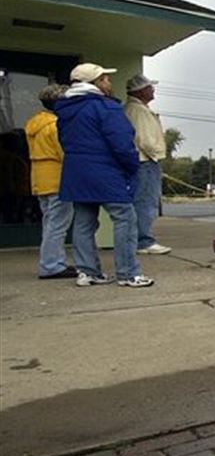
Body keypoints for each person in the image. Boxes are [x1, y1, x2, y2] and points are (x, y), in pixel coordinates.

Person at [54, 63, 153, 288]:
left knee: (84, 222)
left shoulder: (65, 110)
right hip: (106, 172)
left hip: (76, 172)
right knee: (125, 218)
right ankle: (128, 273)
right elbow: (122, 143)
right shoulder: (106, 108)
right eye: (105, 79)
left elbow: (64, 142)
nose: (109, 83)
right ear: (95, 83)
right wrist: (131, 168)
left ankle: (88, 272)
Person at [24, 84, 77, 279]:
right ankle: (52, 265)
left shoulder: (35, 124)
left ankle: (52, 261)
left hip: (40, 177)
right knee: (58, 225)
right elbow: (64, 153)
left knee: (50, 222)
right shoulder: (56, 125)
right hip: (57, 177)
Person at [123, 73, 172, 255]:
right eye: (150, 87)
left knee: (143, 201)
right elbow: (144, 139)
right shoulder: (138, 111)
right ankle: (143, 241)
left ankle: (140, 239)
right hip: (145, 161)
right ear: (141, 91)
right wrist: (155, 155)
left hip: (143, 160)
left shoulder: (135, 109)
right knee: (146, 201)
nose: (153, 90)